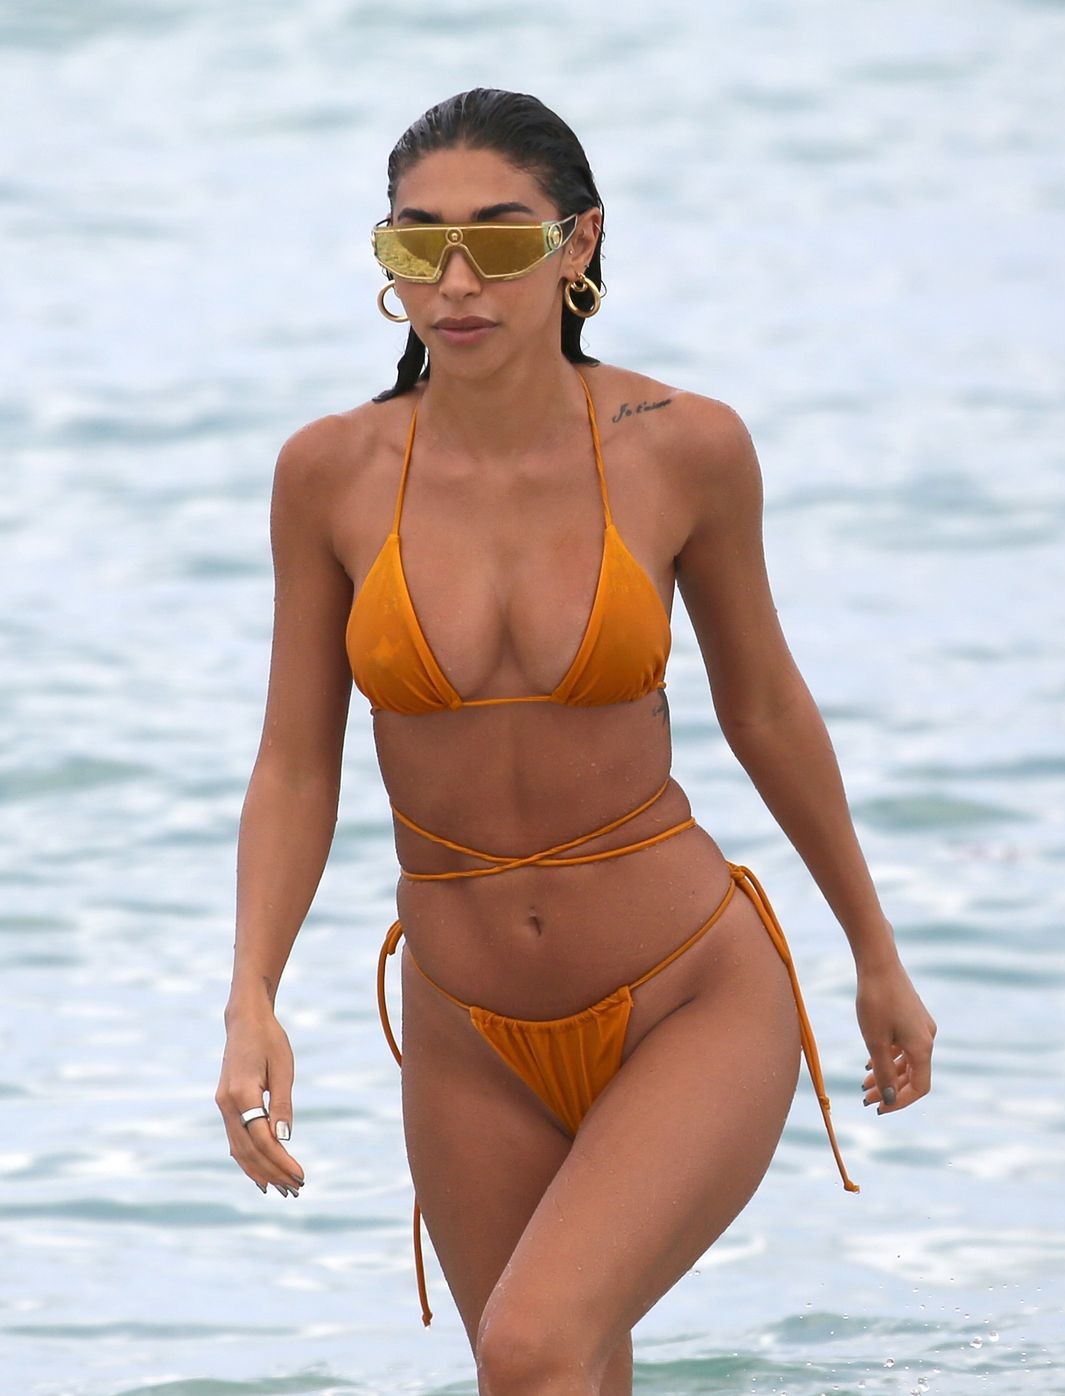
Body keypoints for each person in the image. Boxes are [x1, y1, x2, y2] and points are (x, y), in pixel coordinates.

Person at [219, 87, 936, 1393]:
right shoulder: (329, 473)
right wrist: (252, 993)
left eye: (499, 240)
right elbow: (296, 761)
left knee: (533, 1346)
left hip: (687, 993)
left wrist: (873, 952)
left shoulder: (684, 448)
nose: (455, 282)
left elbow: (766, 709)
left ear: (579, 243)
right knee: (560, 1378)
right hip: (466, 1028)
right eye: (416, 242)